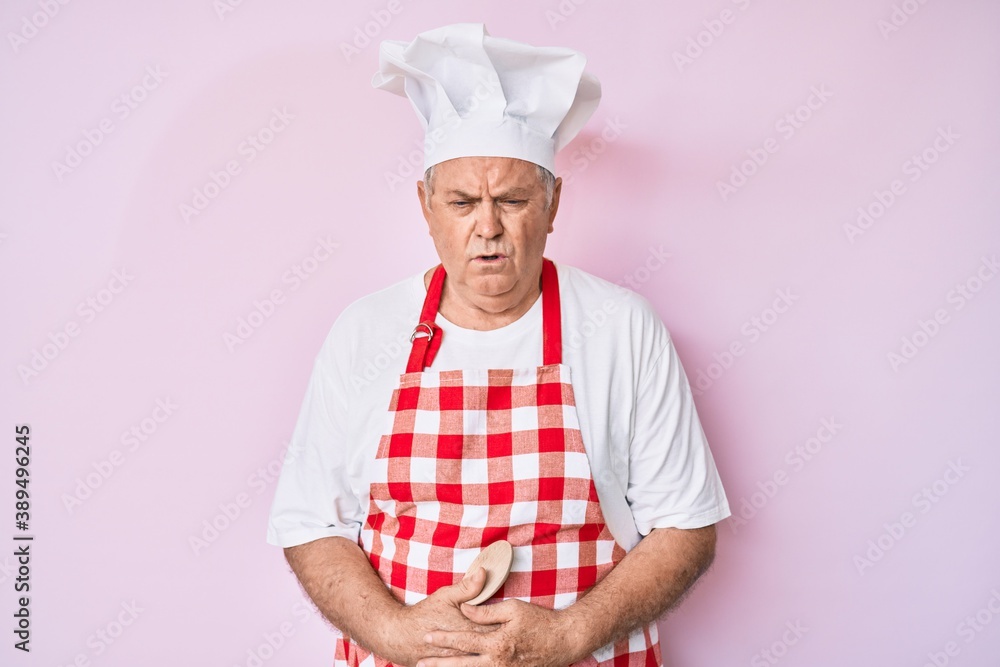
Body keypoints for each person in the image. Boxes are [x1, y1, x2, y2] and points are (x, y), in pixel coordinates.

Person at [266, 23, 731, 667]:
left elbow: (687, 525)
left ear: (553, 203)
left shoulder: (621, 327)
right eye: (461, 202)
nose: (487, 227)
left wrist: (569, 636)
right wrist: (395, 635)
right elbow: (311, 523)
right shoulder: (363, 332)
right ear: (426, 206)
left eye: (512, 199)